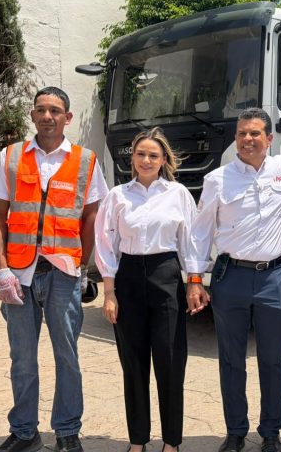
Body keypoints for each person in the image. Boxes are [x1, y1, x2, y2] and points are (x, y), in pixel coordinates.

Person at [0, 86, 108, 452]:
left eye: (55, 110)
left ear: (67, 117)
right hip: (19, 275)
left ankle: (67, 431)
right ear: (32, 115)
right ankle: (25, 432)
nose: (47, 116)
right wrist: (1, 270)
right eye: (41, 109)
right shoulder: (11, 156)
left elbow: (92, 218)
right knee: (22, 358)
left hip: (63, 274)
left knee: (67, 356)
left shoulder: (86, 160)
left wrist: (82, 267)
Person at [185, 108, 281, 452]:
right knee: (231, 360)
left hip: (275, 278)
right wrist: (194, 279)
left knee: (273, 360)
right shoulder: (217, 179)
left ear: (270, 138)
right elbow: (199, 232)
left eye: (255, 133)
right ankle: (235, 431)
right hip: (231, 277)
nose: (247, 139)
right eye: (241, 134)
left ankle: (271, 432)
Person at [94, 128, 196, 452]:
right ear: (132, 158)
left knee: (170, 362)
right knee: (133, 363)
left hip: (166, 275)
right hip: (127, 279)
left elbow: (190, 241)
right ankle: (137, 441)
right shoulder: (117, 196)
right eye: (141, 154)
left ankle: (171, 443)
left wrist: (194, 283)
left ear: (163, 159)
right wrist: (109, 293)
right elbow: (106, 244)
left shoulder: (178, 194)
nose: (146, 160)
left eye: (153, 155)